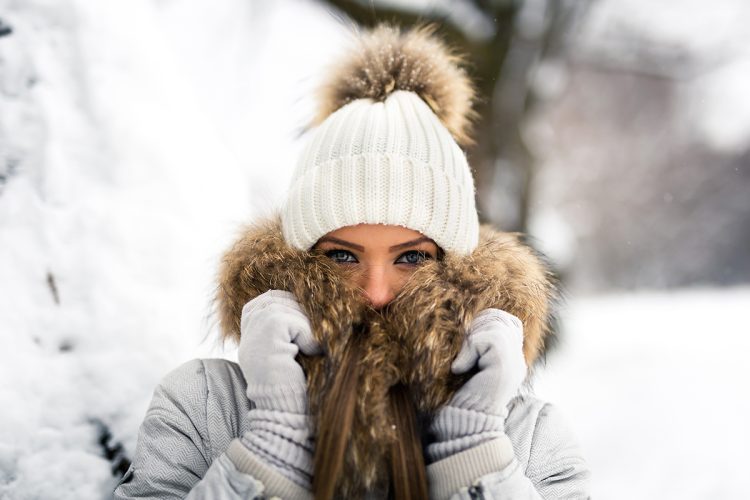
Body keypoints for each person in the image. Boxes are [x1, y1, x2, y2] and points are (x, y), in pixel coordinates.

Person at [114, 24, 590, 500]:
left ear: (455, 267)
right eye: (342, 256)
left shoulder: (529, 441)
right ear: (298, 261)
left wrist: (476, 455)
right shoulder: (204, 408)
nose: (377, 290)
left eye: (412, 258)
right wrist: (270, 450)